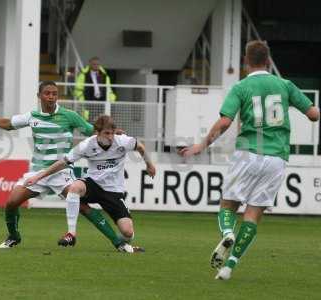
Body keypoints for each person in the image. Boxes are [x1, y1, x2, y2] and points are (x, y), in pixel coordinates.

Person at [178, 40, 319, 280]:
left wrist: (201, 145)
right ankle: (229, 267)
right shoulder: (285, 85)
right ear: (267, 60)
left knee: (228, 205)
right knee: (253, 215)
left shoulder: (241, 87)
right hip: (276, 157)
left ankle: (227, 232)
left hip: (248, 153)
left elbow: (224, 122)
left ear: (246, 61)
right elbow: (314, 115)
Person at [0, 81, 125, 249]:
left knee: (83, 207)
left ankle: (118, 242)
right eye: (47, 93)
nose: (51, 97)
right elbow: (7, 124)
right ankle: (14, 236)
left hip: (61, 172)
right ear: (39, 96)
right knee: (11, 202)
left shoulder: (69, 115)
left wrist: (113, 134)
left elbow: (91, 130)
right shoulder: (32, 116)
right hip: (38, 172)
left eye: (54, 93)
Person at [25, 115, 156, 253]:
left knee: (127, 232)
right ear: (97, 133)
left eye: (111, 133)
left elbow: (140, 146)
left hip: (114, 191)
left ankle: (123, 244)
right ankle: (71, 234)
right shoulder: (86, 145)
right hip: (93, 185)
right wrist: (39, 176)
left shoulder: (122, 141)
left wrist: (149, 165)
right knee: (75, 188)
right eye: (106, 133)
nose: (110, 137)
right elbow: (63, 162)